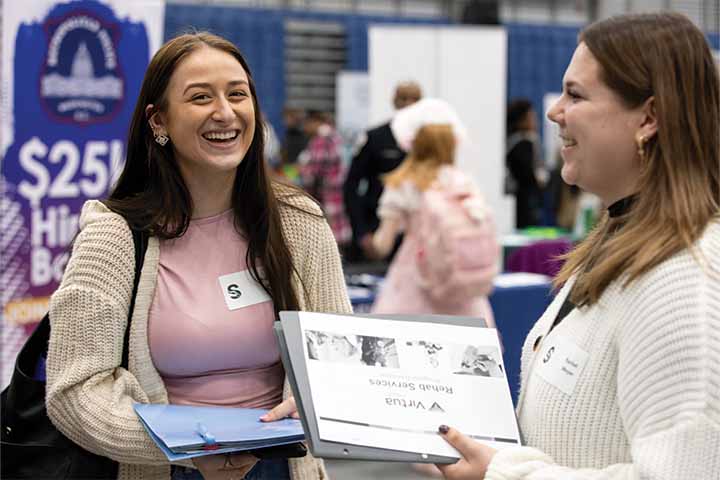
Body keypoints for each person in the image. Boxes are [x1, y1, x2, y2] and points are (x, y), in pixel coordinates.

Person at [45, 32, 352, 480]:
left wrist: (313, 405)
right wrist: (189, 445)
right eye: (200, 97)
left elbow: (339, 357)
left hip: (282, 465)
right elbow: (74, 390)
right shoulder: (114, 236)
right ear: (158, 121)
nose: (224, 113)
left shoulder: (298, 222)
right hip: (170, 467)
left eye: (237, 94)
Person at [435, 12, 720, 480]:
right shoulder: (619, 240)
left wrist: (506, 474)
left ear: (648, 118)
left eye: (576, 94)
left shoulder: (687, 281)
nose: (555, 111)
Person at [368, 99, 495, 326]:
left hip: (414, 283)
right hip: (460, 287)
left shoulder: (402, 184)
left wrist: (372, 243)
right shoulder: (463, 182)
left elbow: (382, 245)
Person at [343, 81, 422, 262]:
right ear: (395, 101)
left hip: (417, 232)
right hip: (379, 227)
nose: (409, 103)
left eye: (414, 99)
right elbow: (351, 186)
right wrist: (362, 232)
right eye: (403, 98)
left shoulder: (427, 142)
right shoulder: (375, 137)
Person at [297, 110, 352, 249]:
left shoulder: (322, 139)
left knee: (328, 240)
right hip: (334, 192)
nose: (304, 128)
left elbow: (316, 170)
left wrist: (302, 173)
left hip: (325, 195)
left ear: (314, 122)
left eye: (306, 124)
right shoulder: (334, 136)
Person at [505, 99, 544, 229]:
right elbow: (527, 174)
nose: (534, 120)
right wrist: (539, 181)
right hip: (523, 202)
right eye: (531, 116)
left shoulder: (510, 141)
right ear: (521, 120)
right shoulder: (524, 142)